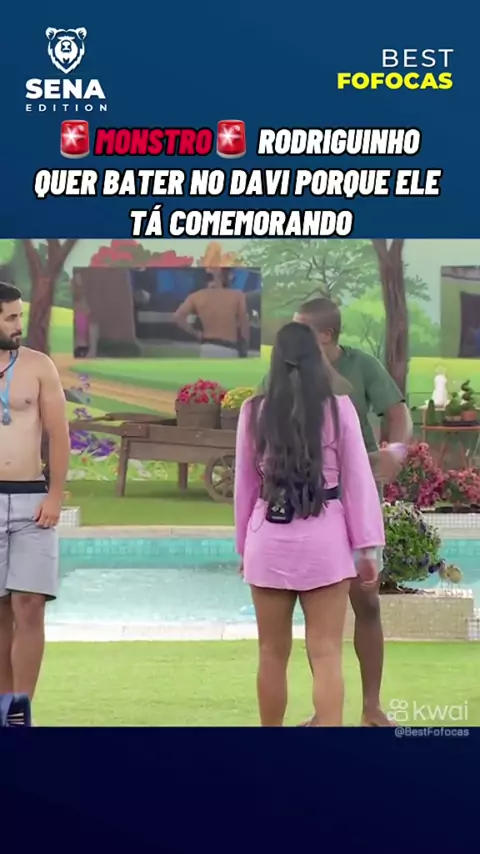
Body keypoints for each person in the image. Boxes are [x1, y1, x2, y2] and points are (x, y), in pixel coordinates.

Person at [234, 322, 385, 726]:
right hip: (325, 543)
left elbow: (245, 486)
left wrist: (243, 549)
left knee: (270, 653)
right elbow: (358, 482)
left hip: (267, 539)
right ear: (316, 359)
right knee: (327, 652)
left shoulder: (253, 412)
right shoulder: (339, 409)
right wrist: (367, 549)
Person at [293, 297, 412, 726]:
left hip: (358, 500)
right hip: (312, 502)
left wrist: (395, 450)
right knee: (318, 611)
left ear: (327, 335)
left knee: (367, 601)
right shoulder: (289, 370)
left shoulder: (361, 366)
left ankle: (371, 707)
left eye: (303, 330)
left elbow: (398, 413)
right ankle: (324, 712)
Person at [0, 282, 70, 707]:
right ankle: (3, 708)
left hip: (32, 502)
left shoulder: (39, 366)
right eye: (10, 317)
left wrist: (56, 495)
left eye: (19, 315)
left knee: (30, 605)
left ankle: (21, 711)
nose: (18, 324)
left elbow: (59, 434)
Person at [173, 268, 249, 357]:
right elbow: (244, 323)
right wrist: (245, 346)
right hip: (229, 348)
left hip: (207, 348)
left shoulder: (196, 296)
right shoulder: (238, 295)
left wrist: (196, 333)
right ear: (222, 276)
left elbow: (177, 316)